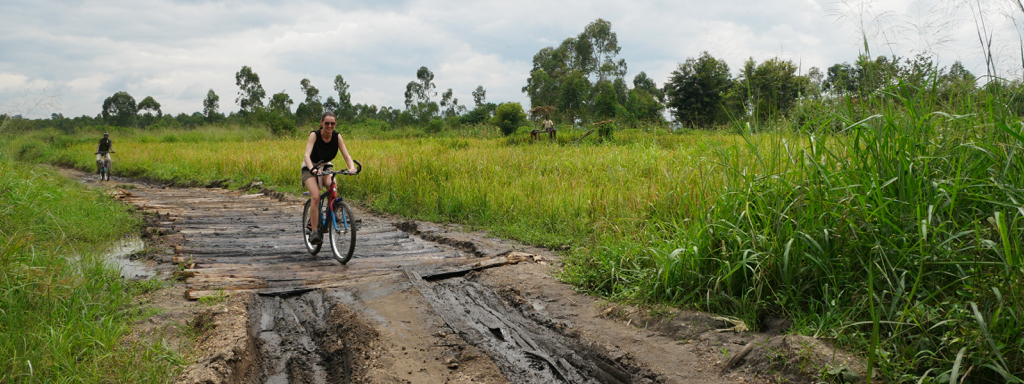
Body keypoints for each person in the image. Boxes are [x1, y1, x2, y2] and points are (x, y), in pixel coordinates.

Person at [302, 112, 356, 244]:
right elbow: (306, 156)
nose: (330, 126)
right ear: (321, 123)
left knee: (332, 186)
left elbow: (346, 155)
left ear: (335, 124)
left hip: (326, 166)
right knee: (315, 196)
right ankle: (314, 232)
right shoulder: (314, 135)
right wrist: (312, 169)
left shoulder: (337, 137)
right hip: (310, 167)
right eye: (327, 123)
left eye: (332, 123)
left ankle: (331, 212)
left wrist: (351, 168)